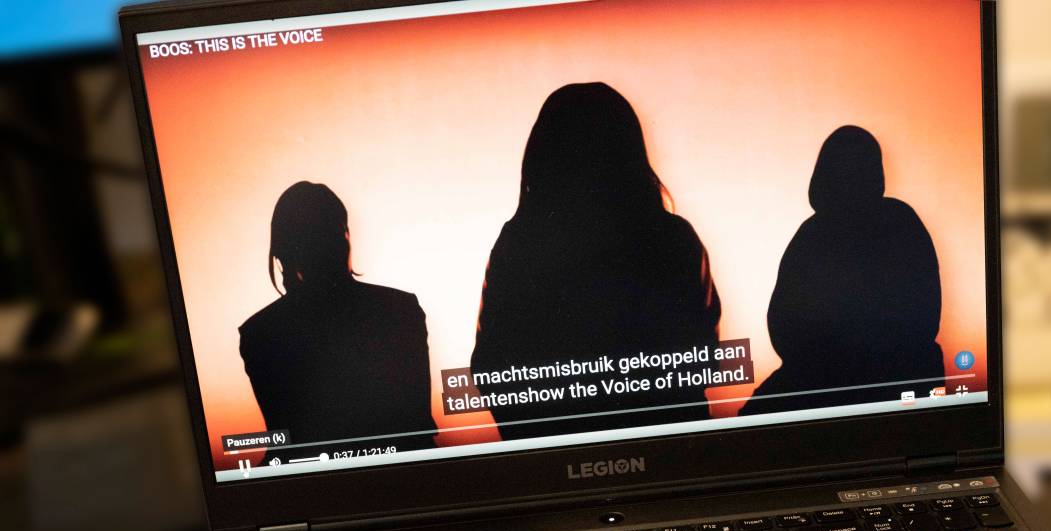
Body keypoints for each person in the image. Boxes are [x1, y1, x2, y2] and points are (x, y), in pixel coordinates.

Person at [471, 82, 722, 441]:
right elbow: (702, 357)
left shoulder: (520, 244)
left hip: (553, 453)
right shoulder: (672, 238)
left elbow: (492, 368)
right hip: (671, 448)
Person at [740, 126, 943, 416]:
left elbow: (785, 324)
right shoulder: (820, 233)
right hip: (834, 375)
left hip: (870, 379)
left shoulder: (893, 224)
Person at [239, 181, 436, 452]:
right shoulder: (399, 309)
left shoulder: (261, 333)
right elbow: (417, 430)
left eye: (333, 232)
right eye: (315, 236)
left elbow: (288, 444)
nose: (328, 245)